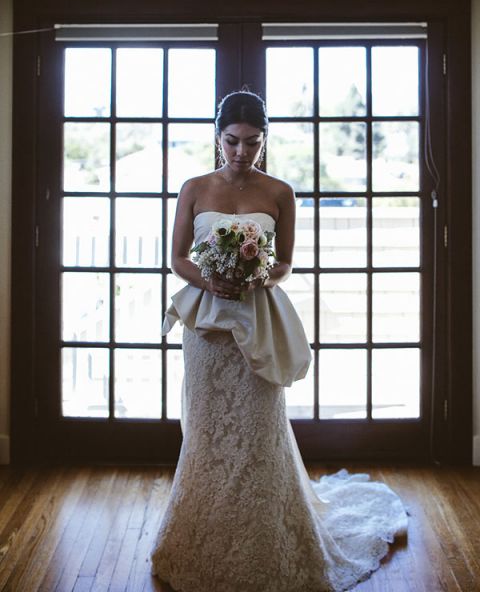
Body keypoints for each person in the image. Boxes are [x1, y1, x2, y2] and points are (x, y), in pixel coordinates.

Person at [151, 91, 408, 592]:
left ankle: (267, 535)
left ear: (264, 140)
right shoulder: (194, 188)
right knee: (208, 428)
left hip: (257, 320)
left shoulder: (280, 192)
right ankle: (202, 533)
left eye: (252, 142)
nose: (241, 151)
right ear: (218, 136)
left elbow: (285, 262)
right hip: (207, 328)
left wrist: (258, 275)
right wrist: (211, 279)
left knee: (257, 428)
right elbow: (178, 258)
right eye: (232, 141)